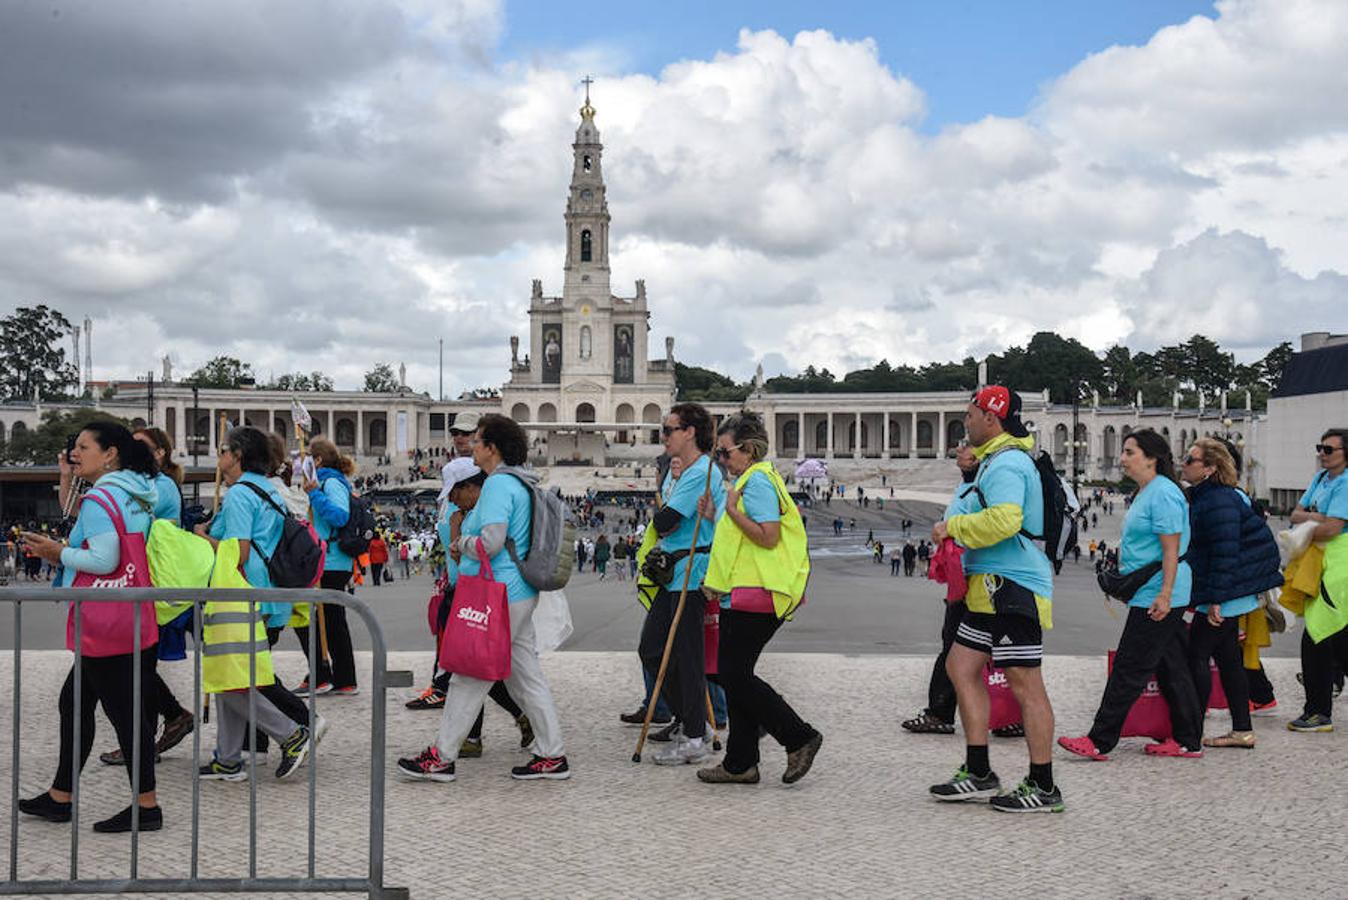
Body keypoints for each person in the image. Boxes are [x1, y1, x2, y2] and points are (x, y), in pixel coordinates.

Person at [397, 414, 569, 782]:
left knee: (468, 677)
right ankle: (552, 754)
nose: (471, 446)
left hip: (499, 594)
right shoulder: (519, 482)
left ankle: (441, 757)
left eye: (477, 441)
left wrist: (462, 543)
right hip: (517, 591)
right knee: (526, 677)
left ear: (492, 448)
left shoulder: (497, 486)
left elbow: (490, 542)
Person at [18, 421, 163, 833]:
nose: (74, 452)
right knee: (76, 702)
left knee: (124, 712)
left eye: (84, 447)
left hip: (106, 614)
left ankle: (147, 806)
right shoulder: (137, 490)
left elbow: (103, 559)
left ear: (110, 453)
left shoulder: (102, 498)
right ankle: (61, 795)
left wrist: (57, 552)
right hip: (132, 609)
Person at [928, 387, 1062, 813]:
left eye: (970, 415)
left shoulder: (1007, 463)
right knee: (960, 666)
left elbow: (1006, 521)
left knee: (1025, 684)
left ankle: (1043, 784)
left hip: (1013, 586)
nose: (964, 423)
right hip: (989, 588)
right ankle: (980, 769)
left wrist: (953, 529)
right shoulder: (993, 462)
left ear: (992, 417)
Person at [1059, 429, 1204, 762]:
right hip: (1153, 588)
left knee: (1130, 666)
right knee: (1171, 666)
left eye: (1129, 452)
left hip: (1158, 591)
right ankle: (1188, 740)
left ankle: (1099, 740)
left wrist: (1165, 595)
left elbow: (1171, 550)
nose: (1122, 458)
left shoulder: (1164, 494)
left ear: (1151, 457)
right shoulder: (1149, 490)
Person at [697, 412, 821, 784]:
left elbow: (767, 536)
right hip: (745, 591)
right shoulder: (750, 481)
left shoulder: (758, 484)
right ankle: (740, 762)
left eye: (725, 452)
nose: (721, 460)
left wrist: (730, 510)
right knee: (735, 675)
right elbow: (738, 540)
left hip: (760, 591)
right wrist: (715, 514)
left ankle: (798, 735)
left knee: (732, 674)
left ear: (748, 450)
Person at [193, 426, 318, 779]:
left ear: (237, 455)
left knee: (227, 676)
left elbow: (239, 552)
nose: (219, 457)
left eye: (222, 450)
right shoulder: (263, 487)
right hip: (263, 591)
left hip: (241, 591)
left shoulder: (238, 495)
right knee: (233, 673)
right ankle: (229, 756)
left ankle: (290, 734)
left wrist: (203, 539)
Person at [636, 403, 726, 766]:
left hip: (692, 572)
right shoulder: (683, 473)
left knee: (687, 656)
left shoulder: (701, 472)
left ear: (689, 432)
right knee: (652, 649)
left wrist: (663, 518)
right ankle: (690, 720)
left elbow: (666, 521)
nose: (664, 437)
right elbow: (665, 521)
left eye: (669, 430)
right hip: (674, 574)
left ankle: (694, 736)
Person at [98, 426, 194, 767]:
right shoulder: (140, 485)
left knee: (135, 666)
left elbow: (123, 522)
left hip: (151, 579)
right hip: (135, 580)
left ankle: (142, 742)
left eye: (140, 447)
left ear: (159, 454)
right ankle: (165, 721)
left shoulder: (159, 487)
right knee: (133, 666)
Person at [1182, 438, 1282, 749]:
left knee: (1195, 656)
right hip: (1229, 590)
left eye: (1191, 459)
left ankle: (1190, 734)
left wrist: (1217, 600)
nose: (1184, 463)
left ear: (1210, 468)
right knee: (1228, 660)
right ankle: (1242, 730)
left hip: (1225, 593)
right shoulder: (1212, 496)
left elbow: (1225, 553)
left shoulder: (1218, 501)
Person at [1287, 428, 1348, 732]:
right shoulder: (1322, 479)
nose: (1322, 454)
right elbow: (1295, 512)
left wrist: (1313, 518)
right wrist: (1317, 518)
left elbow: (1333, 529)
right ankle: (1317, 709)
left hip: (1339, 565)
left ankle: (1318, 712)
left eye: (1329, 449)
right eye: (1320, 448)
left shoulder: (1347, 483)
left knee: (1318, 636)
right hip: (1319, 562)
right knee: (1335, 637)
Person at [294, 438, 359, 696]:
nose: (305, 460)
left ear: (318, 460)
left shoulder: (330, 482)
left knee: (327, 620)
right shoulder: (323, 482)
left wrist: (314, 495)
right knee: (326, 620)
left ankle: (333, 675)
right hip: (325, 558)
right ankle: (331, 674)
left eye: (309, 456)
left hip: (331, 559)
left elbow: (339, 516)